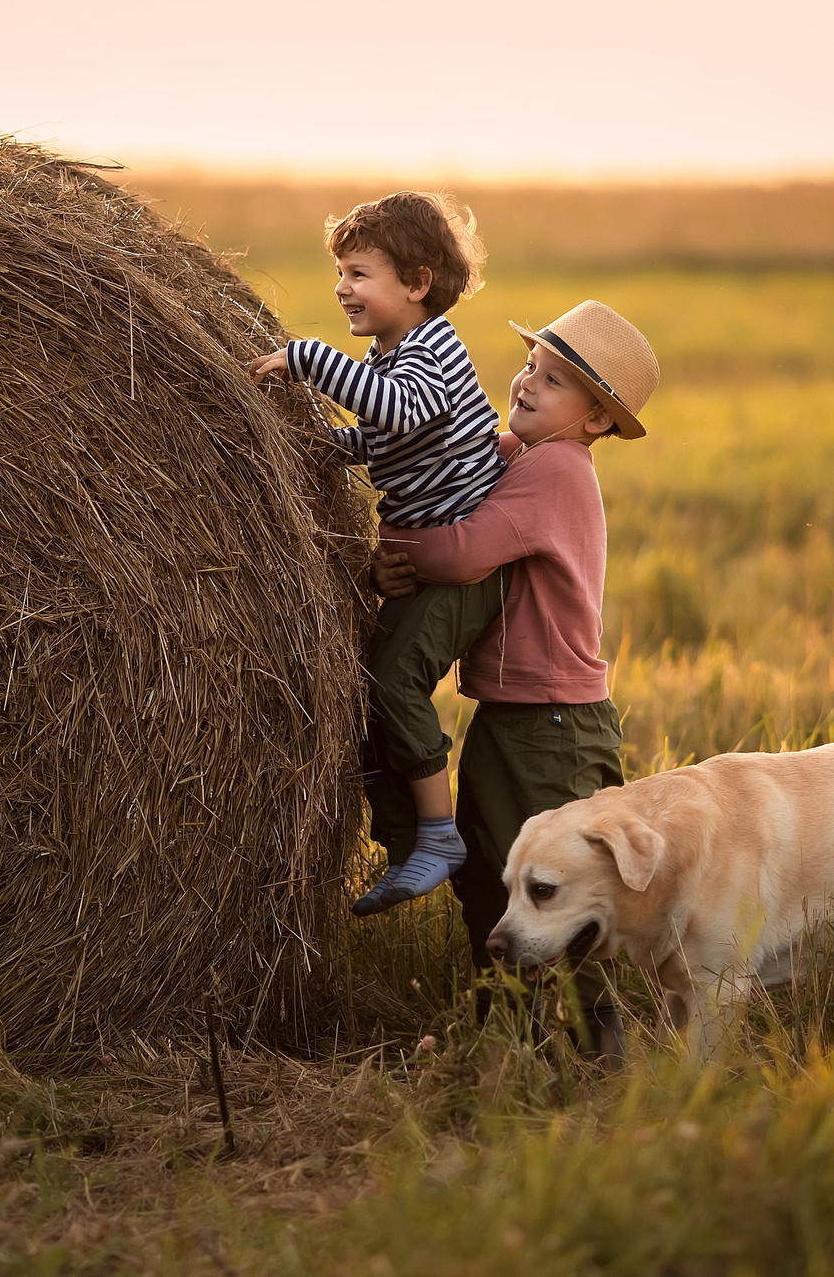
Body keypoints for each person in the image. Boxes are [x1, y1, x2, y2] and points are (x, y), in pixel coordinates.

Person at [369, 299, 658, 1055]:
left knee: (561, 887)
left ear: (595, 419)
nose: (527, 382)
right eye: (531, 364)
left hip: (553, 726)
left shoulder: (559, 470)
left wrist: (397, 551)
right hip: (515, 715)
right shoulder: (526, 455)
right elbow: (455, 469)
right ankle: (509, 1036)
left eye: (554, 379)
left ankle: (601, 1045)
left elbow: (464, 551)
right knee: (496, 878)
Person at [249, 191, 505, 916]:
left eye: (359, 274)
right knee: (366, 686)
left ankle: (439, 833)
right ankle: (409, 843)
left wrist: (305, 360)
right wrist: (327, 449)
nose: (342, 289)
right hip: (428, 562)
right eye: (341, 275)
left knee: (394, 682)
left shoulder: (435, 349)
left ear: (417, 283)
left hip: (462, 572)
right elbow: (389, 437)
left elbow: (396, 410)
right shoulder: (390, 354)